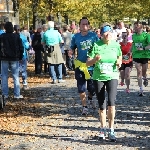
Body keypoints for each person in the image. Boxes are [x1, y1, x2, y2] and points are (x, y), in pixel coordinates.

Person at [86, 23, 122, 141]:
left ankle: (111, 129)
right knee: (102, 104)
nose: (108, 34)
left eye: (109, 32)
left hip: (112, 76)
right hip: (99, 77)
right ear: (101, 34)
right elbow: (87, 63)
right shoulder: (96, 45)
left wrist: (119, 62)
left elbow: (119, 57)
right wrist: (95, 59)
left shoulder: (116, 45)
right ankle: (102, 129)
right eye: (105, 32)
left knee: (111, 102)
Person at [69, 17, 99, 115]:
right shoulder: (75, 37)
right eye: (83, 24)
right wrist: (70, 52)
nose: (85, 26)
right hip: (80, 65)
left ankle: (90, 97)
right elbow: (72, 47)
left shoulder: (93, 36)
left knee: (92, 88)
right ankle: (84, 106)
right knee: (81, 88)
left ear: (89, 25)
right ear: (79, 26)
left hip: (92, 67)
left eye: (86, 24)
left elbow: (99, 48)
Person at [0, 22, 24, 102]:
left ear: (5, 28)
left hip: (4, 58)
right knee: (16, 76)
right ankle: (17, 94)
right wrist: (20, 57)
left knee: (4, 76)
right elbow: (21, 47)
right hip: (14, 58)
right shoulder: (16, 36)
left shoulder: (2, 37)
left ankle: (5, 94)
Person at [132, 22, 150, 96]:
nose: (135, 28)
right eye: (134, 27)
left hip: (145, 56)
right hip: (136, 55)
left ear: (141, 27)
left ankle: (145, 78)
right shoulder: (133, 36)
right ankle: (141, 89)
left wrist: (143, 48)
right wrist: (130, 52)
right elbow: (133, 44)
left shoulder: (146, 35)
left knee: (144, 72)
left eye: (136, 27)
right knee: (139, 71)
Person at [14, 25, 30, 90]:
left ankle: (16, 84)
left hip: (14, 56)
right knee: (24, 69)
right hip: (23, 55)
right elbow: (27, 46)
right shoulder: (23, 37)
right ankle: (25, 83)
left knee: (15, 70)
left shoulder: (13, 37)